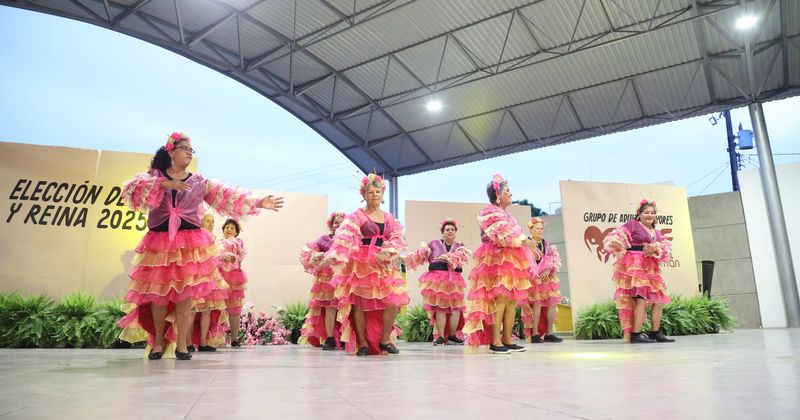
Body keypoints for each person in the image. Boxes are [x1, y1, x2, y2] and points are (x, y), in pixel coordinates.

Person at [117, 131, 283, 360]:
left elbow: (228, 195)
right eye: (184, 148)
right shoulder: (153, 176)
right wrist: (165, 183)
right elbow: (132, 189)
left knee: (185, 295)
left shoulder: (198, 182)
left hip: (189, 243)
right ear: (170, 152)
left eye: (190, 150)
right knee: (157, 294)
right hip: (160, 240)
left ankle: (182, 345)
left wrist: (258, 202)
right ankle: (158, 342)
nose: (188, 152)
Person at [325, 174, 409, 356]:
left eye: (378, 191)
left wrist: (390, 250)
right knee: (359, 304)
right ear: (363, 194)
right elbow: (346, 234)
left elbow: (396, 236)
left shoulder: (388, 217)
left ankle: (385, 339)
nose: (375, 195)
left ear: (382, 194)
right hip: (362, 263)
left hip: (384, 263)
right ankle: (362, 343)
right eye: (370, 192)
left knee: (392, 301)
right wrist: (337, 253)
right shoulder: (358, 215)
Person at [463, 174, 538, 354]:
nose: (511, 194)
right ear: (498, 195)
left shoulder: (508, 214)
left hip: (511, 259)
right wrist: (525, 240)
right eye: (507, 191)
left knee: (512, 299)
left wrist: (525, 242)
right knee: (501, 298)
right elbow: (504, 233)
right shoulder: (490, 212)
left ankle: (507, 339)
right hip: (497, 258)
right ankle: (495, 341)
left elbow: (514, 233)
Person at [603, 199, 674, 344]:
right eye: (646, 212)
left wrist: (655, 249)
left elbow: (665, 249)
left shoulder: (656, 232)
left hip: (651, 267)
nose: (649, 215)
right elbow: (616, 236)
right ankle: (636, 334)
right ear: (639, 214)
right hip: (636, 264)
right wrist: (617, 244)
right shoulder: (633, 225)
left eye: (652, 213)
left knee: (658, 299)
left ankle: (655, 332)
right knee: (641, 298)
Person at [403, 218, 471, 346]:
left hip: (454, 280)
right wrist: (409, 259)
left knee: (456, 308)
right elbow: (421, 254)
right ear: (443, 232)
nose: (450, 231)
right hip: (438, 280)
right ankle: (440, 336)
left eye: (452, 230)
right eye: (447, 230)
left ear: (455, 233)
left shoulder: (460, 246)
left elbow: (461, 259)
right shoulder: (433, 244)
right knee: (441, 308)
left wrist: (449, 258)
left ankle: (452, 336)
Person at [298, 211, 345, 350]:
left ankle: (345, 337)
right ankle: (330, 338)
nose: (339, 224)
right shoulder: (323, 239)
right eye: (336, 222)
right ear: (331, 225)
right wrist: (316, 257)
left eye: (342, 222)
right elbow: (312, 258)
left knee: (346, 309)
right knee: (330, 308)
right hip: (327, 279)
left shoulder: (349, 241)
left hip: (344, 278)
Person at [521, 217, 563, 343]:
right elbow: (524, 260)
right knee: (537, 304)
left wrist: (549, 268)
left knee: (551, 303)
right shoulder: (527, 242)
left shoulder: (546, 243)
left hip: (547, 279)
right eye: (537, 228)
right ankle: (535, 334)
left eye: (541, 228)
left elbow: (552, 258)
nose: (540, 230)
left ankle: (549, 333)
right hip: (534, 279)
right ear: (531, 229)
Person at [217, 218, 248, 348]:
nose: (229, 230)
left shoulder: (239, 243)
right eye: (227, 227)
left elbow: (240, 258)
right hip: (221, 276)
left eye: (232, 228)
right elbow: (213, 258)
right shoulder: (218, 243)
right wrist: (221, 256)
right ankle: (219, 338)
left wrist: (236, 255)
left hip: (235, 277)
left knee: (235, 310)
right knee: (219, 309)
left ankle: (235, 338)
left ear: (236, 232)